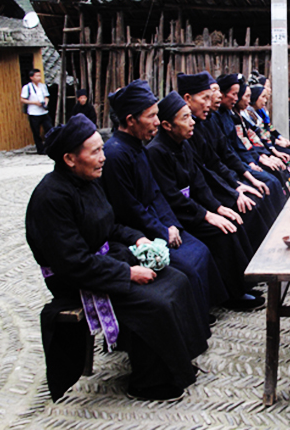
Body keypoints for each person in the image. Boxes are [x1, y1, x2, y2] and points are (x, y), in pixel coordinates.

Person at [26, 114, 209, 403]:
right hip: (75, 279)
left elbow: (109, 225)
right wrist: (127, 273)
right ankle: (149, 383)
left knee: (177, 279)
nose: (103, 158)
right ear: (70, 159)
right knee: (155, 302)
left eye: (102, 149)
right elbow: (72, 263)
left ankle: (177, 364)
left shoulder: (88, 180)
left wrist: (138, 238)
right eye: (95, 151)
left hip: (105, 259)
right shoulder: (51, 197)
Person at [101, 80, 229, 326]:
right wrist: (161, 230)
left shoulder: (137, 146)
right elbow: (130, 208)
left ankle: (202, 309)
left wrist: (171, 224)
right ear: (130, 120)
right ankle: (192, 319)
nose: (158, 123)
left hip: (158, 223)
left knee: (200, 249)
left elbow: (156, 192)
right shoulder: (116, 154)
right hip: (136, 232)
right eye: (151, 117)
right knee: (186, 267)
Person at [146, 91, 265, 310]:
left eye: (190, 116)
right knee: (220, 231)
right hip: (178, 215)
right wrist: (207, 215)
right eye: (185, 118)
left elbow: (198, 181)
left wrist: (218, 208)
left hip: (194, 206)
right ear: (166, 125)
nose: (192, 123)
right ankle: (231, 295)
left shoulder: (183, 142)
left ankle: (242, 284)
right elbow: (171, 196)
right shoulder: (156, 152)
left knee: (232, 219)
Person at [179, 71, 276, 249]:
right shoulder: (184, 133)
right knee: (247, 209)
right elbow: (202, 174)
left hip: (222, 181)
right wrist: (231, 194)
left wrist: (243, 181)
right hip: (206, 195)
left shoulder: (208, 120)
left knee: (265, 187)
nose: (211, 102)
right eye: (207, 97)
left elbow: (222, 156)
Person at [21, 68, 52, 155]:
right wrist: (34, 103)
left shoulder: (43, 86)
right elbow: (23, 99)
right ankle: (40, 150)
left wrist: (46, 102)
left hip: (44, 112)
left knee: (50, 129)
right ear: (31, 77)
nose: (39, 77)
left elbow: (46, 96)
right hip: (33, 112)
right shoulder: (27, 87)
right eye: (37, 76)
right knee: (36, 132)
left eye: (39, 75)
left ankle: (49, 146)